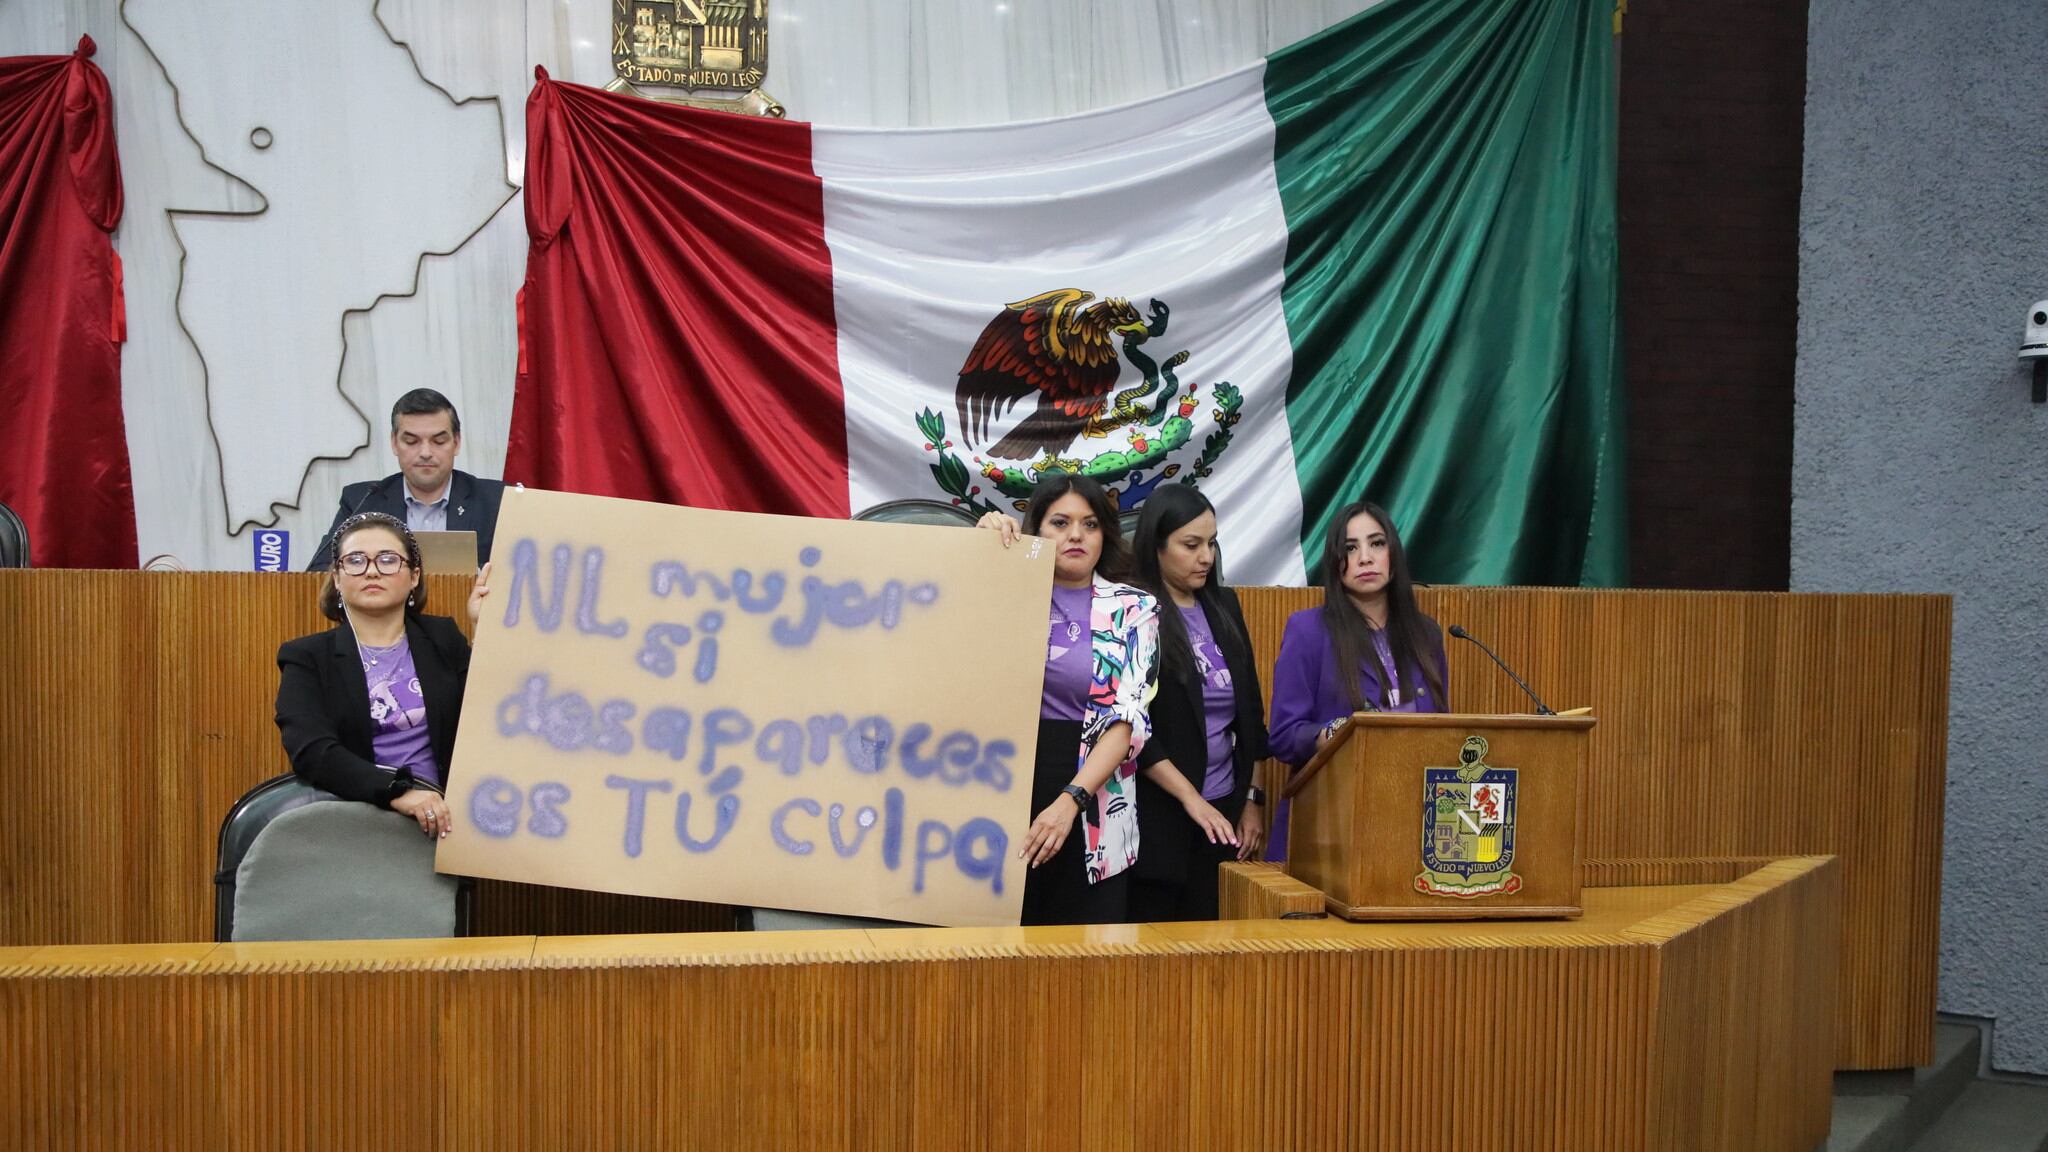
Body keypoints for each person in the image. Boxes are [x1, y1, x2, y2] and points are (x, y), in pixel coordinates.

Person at [977, 476, 1160, 925]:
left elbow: (1129, 719)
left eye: (1090, 524)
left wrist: (1069, 802)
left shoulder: (1136, 608)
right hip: (994, 789)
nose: (1076, 535)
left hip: (1092, 796)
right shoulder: (1005, 591)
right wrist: (980, 553)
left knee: (1085, 972)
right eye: (1060, 522)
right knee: (991, 967)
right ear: (1036, 528)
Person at [276, 512, 492, 837]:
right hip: (355, 822)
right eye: (356, 560)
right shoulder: (306, 657)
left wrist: (485, 632)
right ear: (337, 577)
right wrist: (397, 792)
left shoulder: (442, 637)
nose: (372, 570)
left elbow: (486, 721)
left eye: (388, 560)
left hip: (445, 823)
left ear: (414, 576)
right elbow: (312, 751)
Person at [1266, 500, 1448, 858]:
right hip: (1329, 827)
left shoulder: (1426, 633)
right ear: (1336, 563)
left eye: (1377, 544)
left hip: (1409, 823)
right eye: (1350, 548)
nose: (1365, 558)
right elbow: (1285, 737)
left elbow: (1441, 728)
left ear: (1394, 554)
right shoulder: (1308, 631)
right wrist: (1339, 731)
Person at [1124, 485, 1271, 922]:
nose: (1206, 557)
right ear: (1156, 546)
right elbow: (1132, 730)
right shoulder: (1134, 609)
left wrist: (1252, 800)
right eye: (1191, 545)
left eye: (1211, 543)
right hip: (1158, 816)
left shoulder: (1224, 604)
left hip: (1223, 813)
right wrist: (1192, 800)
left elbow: (1251, 716)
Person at [308, 389, 505, 569]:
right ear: (394, 443)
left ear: (456, 442)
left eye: (439, 441)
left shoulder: (496, 501)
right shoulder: (363, 501)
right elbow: (319, 572)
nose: (426, 453)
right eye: (411, 441)